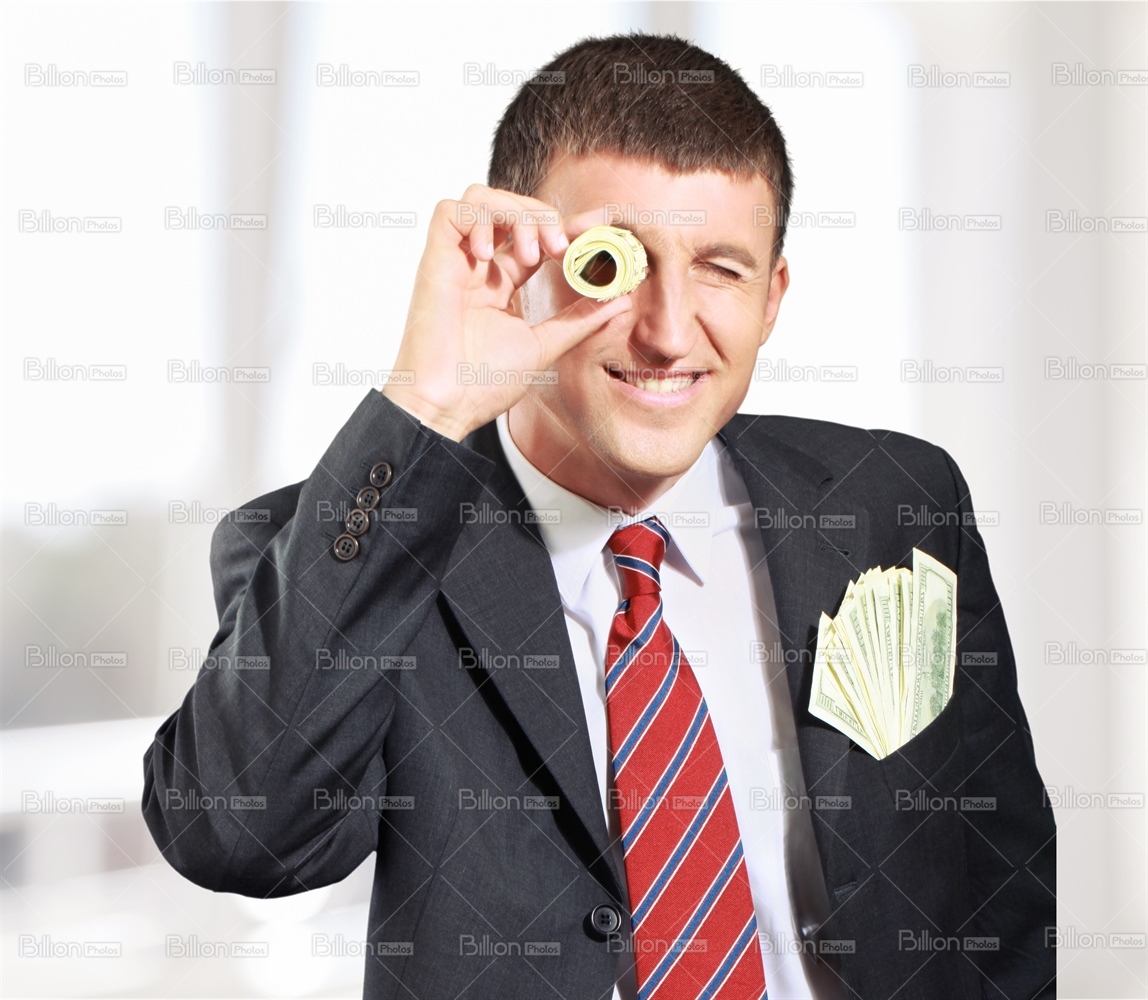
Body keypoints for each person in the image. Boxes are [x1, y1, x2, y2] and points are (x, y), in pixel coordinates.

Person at [142, 32, 1056, 999]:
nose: (667, 331)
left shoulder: (892, 503)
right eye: (613, 265)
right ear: (522, 269)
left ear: (772, 298)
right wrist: (426, 404)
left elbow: (999, 882)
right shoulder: (349, 550)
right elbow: (238, 835)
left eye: (721, 268)